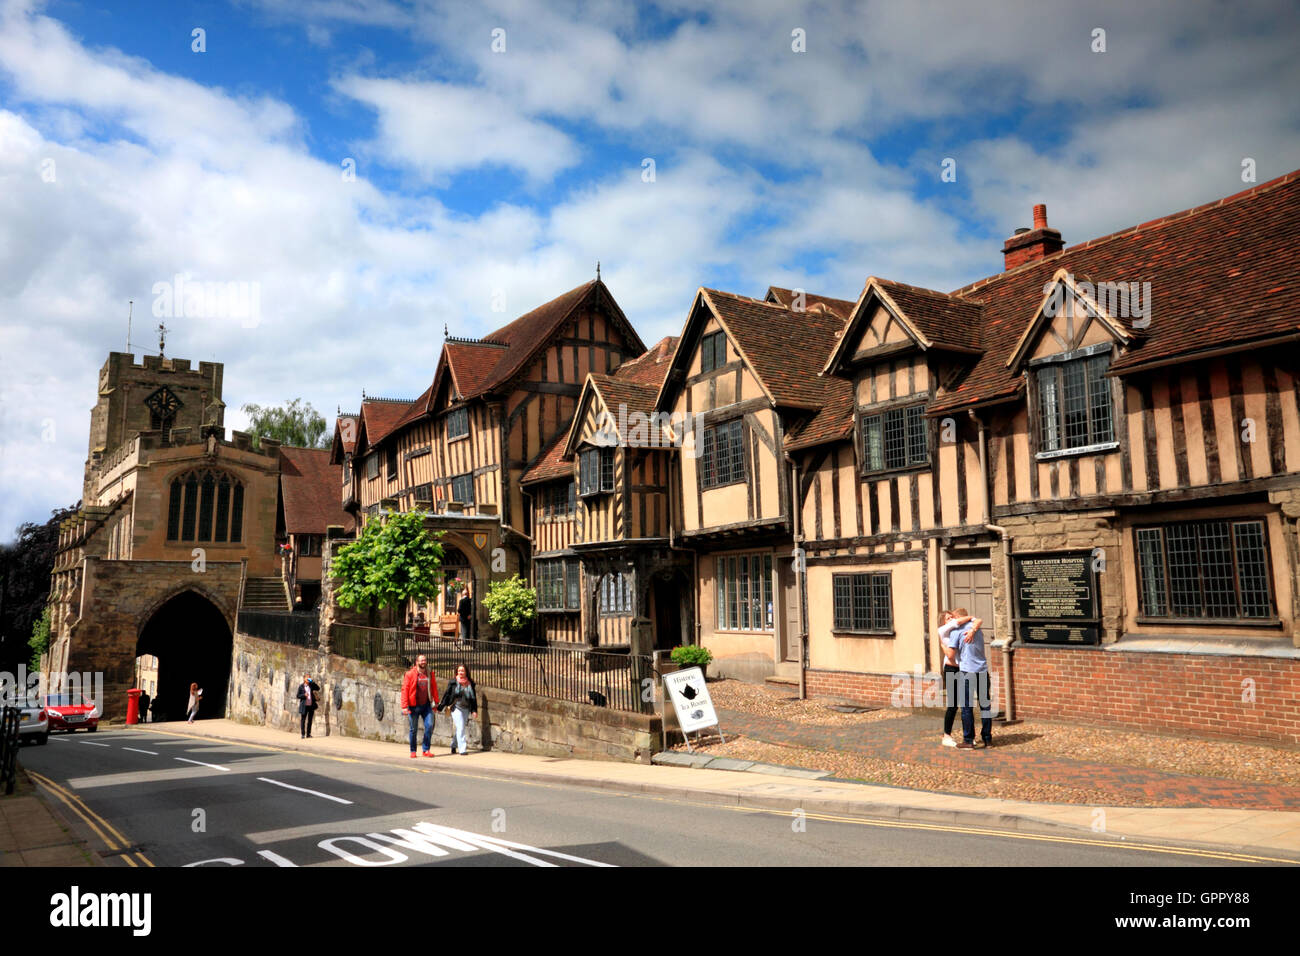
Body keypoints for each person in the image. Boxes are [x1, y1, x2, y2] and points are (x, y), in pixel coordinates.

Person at [954, 610, 992, 750]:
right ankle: (987, 739)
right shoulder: (978, 628)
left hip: (967, 672)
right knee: (985, 706)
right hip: (982, 670)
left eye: (955, 617)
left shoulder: (957, 631)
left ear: (959, 617)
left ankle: (968, 739)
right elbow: (978, 619)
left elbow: (952, 653)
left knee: (966, 707)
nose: (954, 621)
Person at [400, 654, 439, 758]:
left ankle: (426, 750)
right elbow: (405, 690)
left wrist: (436, 703)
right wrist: (404, 706)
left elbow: (434, 688)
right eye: (421, 660)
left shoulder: (430, 673)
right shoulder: (409, 674)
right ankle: (413, 751)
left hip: (426, 705)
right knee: (413, 729)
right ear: (416, 662)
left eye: (425, 660)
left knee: (429, 726)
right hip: (413, 706)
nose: (423, 662)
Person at [936, 610, 963, 748]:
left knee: (965, 704)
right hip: (951, 670)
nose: (951, 619)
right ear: (943, 622)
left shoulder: (956, 631)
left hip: (962, 669)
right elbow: (951, 656)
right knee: (952, 705)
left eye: (952, 617)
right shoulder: (944, 632)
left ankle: (968, 736)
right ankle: (946, 735)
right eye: (948, 618)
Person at [437, 663, 477, 755]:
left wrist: (474, 710)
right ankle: (462, 749)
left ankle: (453, 745)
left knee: (460, 728)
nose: (461, 672)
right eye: (459, 671)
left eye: (462, 670)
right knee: (461, 726)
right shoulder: (453, 682)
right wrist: (440, 707)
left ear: (466, 672)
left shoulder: (470, 683)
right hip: (456, 707)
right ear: (456, 672)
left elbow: (473, 698)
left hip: (466, 708)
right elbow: (447, 695)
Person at [296, 673, 320, 738]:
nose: (308, 679)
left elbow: (318, 688)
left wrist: (312, 682)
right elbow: (298, 695)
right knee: (303, 720)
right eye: (307, 678)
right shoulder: (301, 686)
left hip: (311, 705)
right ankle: (303, 734)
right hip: (304, 706)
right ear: (304, 679)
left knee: (310, 720)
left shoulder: (311, 685)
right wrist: (304, 695)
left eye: (309, 677)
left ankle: (308, 734)